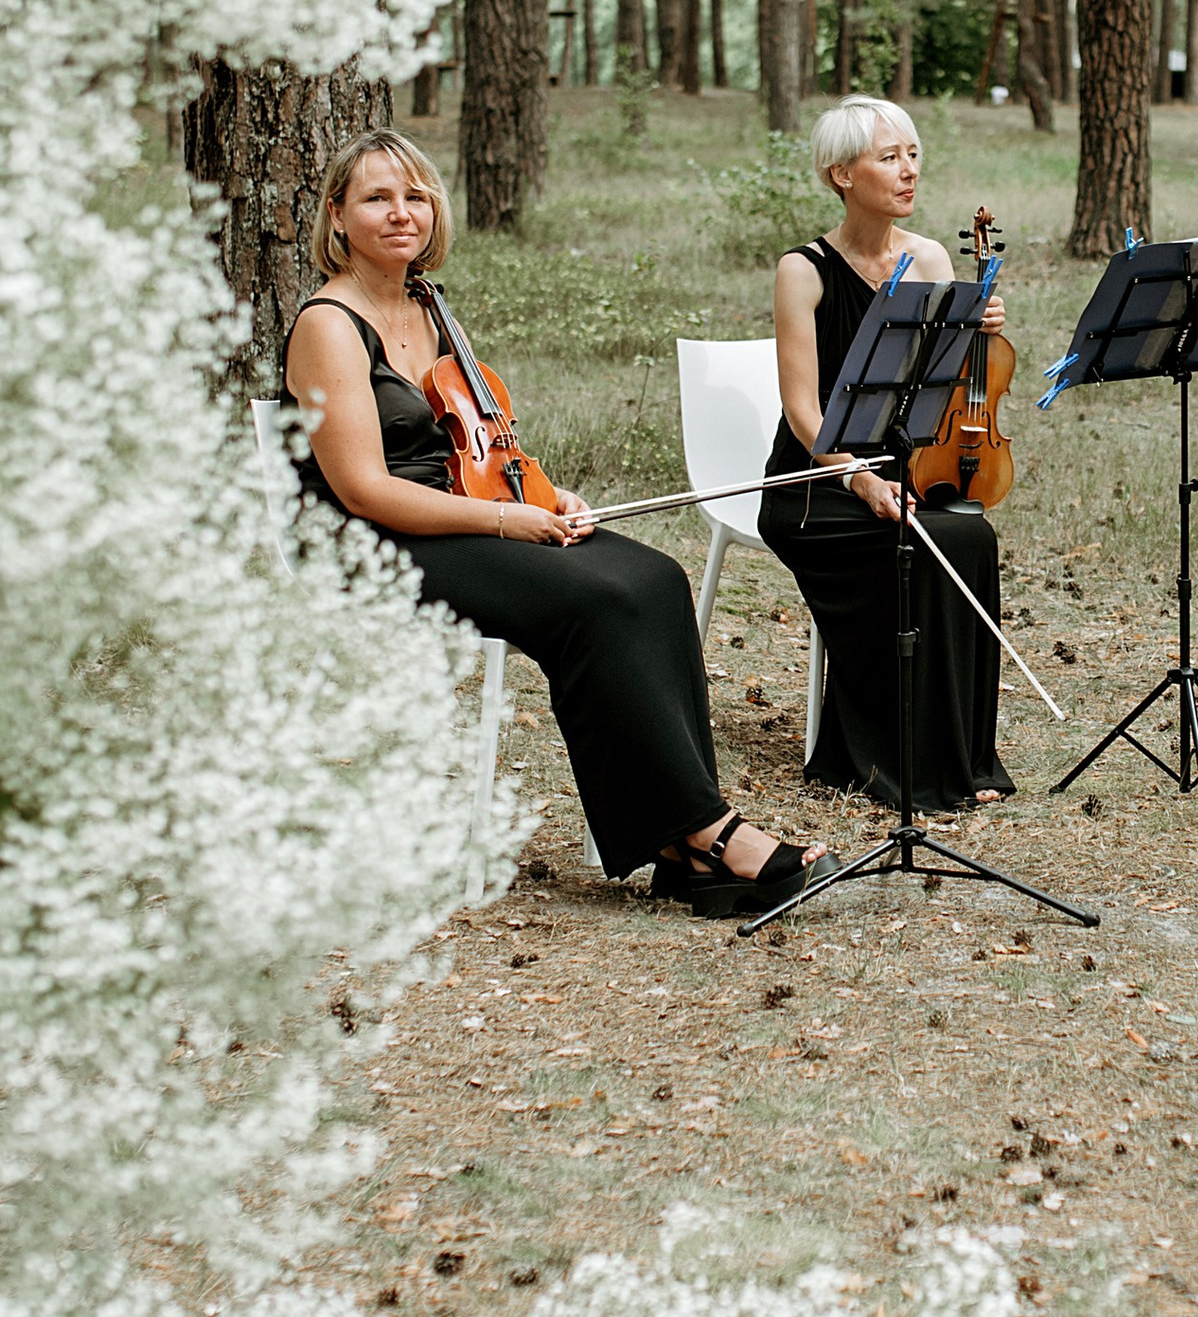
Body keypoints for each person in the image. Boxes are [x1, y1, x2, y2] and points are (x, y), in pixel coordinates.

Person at [283, 128, 826, 916]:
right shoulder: (328, 325)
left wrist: (541, 493)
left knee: (652, 578)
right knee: (592, 602)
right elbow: (365, 489)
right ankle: (706, 834)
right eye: (376, 198)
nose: (401, 213)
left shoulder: (428, 305)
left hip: (461, 513)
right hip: (377, 541)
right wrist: (505, 524)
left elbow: (477, 436)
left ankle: (682, 846)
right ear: (337, 216)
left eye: (414, 196)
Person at [760, 96, 1015, 811]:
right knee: (917, 544)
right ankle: (890, 763)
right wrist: (860, 479)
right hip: (813, 485)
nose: (908, 171)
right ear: (841, 175)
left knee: (968, 533)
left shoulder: (930, 257)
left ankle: (960, 755)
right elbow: (803, 413)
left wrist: (981, 330)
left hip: (901, 470)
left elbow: (948, 384)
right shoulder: (802, 271)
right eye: (888, 157)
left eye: (912, 155)